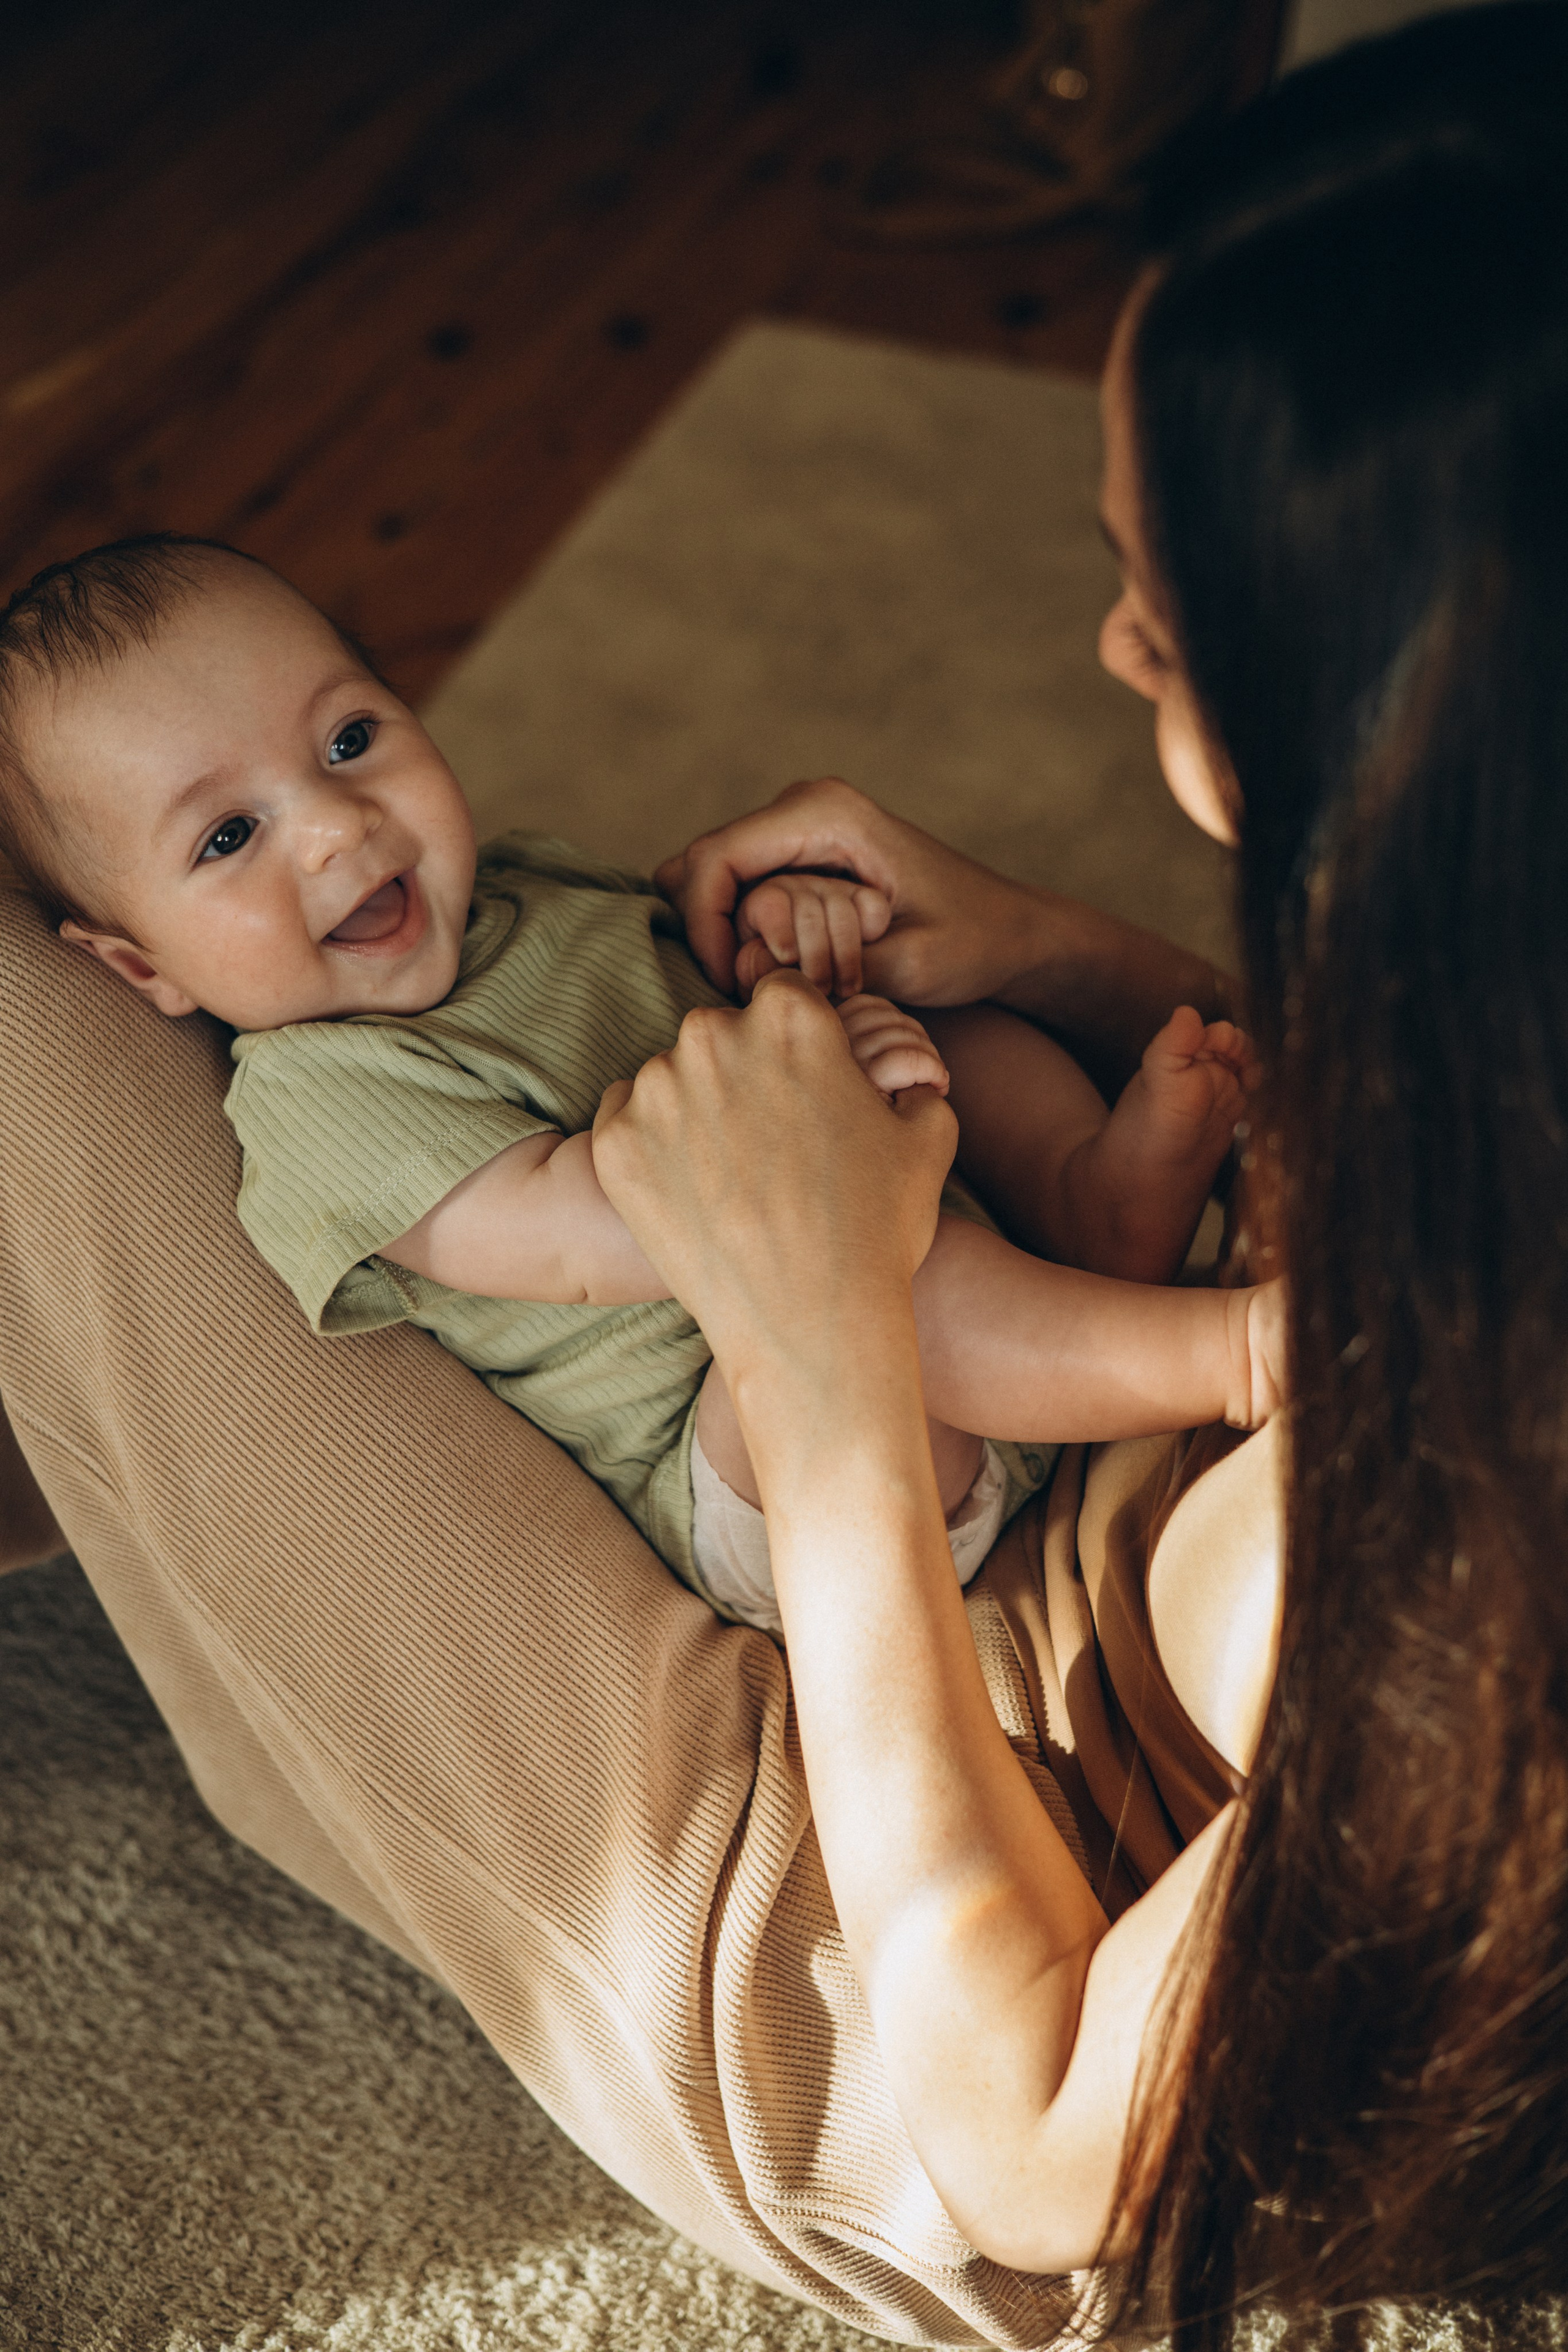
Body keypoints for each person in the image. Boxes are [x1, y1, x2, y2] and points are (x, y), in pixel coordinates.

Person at [1, 7, 1565, 2343]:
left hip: (932, 1900)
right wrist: (1045, 954)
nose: (1113, 639)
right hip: (1051, 1490)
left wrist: (824, 1358)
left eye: (1173, 598)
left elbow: (1034, 2155)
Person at [0, 536, 1278, 1636]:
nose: (337, 827)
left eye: (349, 740)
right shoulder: (313, 1099)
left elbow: (697, 977)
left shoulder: (524, 886)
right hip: (767, 1474)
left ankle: (1087, 1203)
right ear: (139, 964)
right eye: (229, 837)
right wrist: (820, 1133)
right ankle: (1232, 1357)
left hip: (882, 1225)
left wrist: (788, 951)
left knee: (941, 1004)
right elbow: (571, 1236)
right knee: (850, 1270)